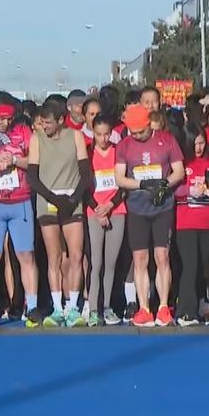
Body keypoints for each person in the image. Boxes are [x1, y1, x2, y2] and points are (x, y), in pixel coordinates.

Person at [0, 98, 41, 327]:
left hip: (20, 201)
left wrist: (14, 160)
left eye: (9, 118)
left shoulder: (23, 132)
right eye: (1, 118)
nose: (5, 122)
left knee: (26, 255)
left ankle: (32, 307)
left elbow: (35, 162)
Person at [115, 104, 185, 327]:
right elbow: (120, 178)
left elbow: (179, 171)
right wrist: (143, 184)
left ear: (148, 125)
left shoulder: (167, 140)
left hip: (162, 207)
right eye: (132, 132)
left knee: (162, 257)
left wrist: (164, 184)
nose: (136, 136)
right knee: (140, 259)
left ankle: (163, 307)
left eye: (140, 132)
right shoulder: (124, 146)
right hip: (137, 208)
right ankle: (144, 307)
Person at [30, 101, 92, 327]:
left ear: (60, 120)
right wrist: (54, 199)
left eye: (48, 122)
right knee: (53, 257)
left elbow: (86, 175)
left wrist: (73, 199)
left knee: (76, 255)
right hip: (48, 203)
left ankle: (73, 307)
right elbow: (32, 178)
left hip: (72, 202)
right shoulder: (36, 139)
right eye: (41, 122)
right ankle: (57, 308)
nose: (43, 125)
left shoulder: (75, 137)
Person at [85, 113, 127, 326]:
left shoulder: (118, 153)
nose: (103, 138)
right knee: (96, 263)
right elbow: (84, 187)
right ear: (93, 132)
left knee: (111, 263)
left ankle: (107, 306)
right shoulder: (87, 154)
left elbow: (124, 185)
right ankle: (93, 309)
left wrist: (110, 206)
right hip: (94, 213)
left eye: (106, 134)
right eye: (98, 134)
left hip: (117, 211)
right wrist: (98, 210)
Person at [175, 119, 209, 327]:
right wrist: (187, 191)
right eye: (195, 143)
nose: (199, 148)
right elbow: (173, 189)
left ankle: (202, 303)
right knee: (189, 265)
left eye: (202, 143)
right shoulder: (182, 164)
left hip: (207, 222)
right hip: (186, 223)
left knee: (203, 265)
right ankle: (186, 311)